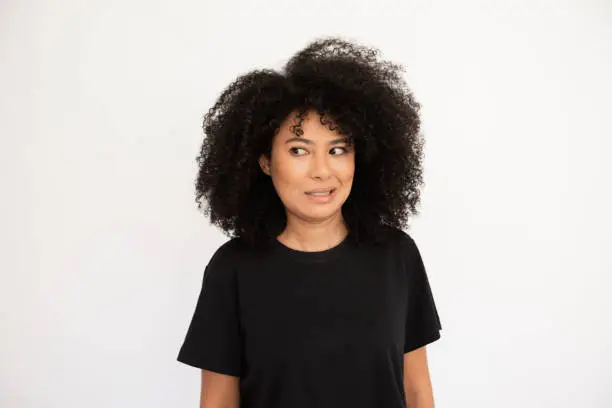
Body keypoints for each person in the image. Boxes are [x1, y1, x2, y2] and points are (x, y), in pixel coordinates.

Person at [177, 37, 443, 408]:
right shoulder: (233, 269)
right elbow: (218, 402)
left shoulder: (396, 256)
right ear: (265, 162)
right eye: (299, 150)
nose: (321, 171)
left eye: (338, 149)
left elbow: (417, 391)